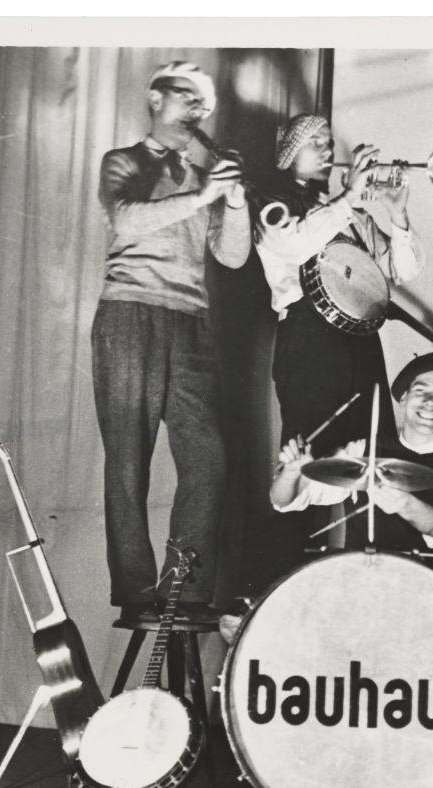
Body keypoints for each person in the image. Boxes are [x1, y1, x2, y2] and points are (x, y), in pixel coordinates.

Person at [92, 61, 251, 624]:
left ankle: (186, 589)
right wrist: (204, 194)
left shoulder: (204, 177)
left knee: (209, 459)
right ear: (156, 100)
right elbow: (125, 220)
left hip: (191, 322)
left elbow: (233, 256)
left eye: (204, 106)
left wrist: (235, 202)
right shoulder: (123, 161)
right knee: (128, 459)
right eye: (188, 99)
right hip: (129, 313)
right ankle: (137, 592)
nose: (198, 113)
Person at [254, 114, 426, 456]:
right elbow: (296, 246)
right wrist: (350, 196)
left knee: (372, 453)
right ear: (290, 153)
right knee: (314, 456)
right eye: (314, 142)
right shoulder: (272, 204)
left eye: (329, 143)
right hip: (309, 340)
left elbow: (402, 269)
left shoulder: (353, 216)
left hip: (361, 339)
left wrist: (398, 215)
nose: (327, 150)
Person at [269, 351, 433, 577]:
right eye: (421, 391)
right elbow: (283, 500)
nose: (430, 403)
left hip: (424, 587)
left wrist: (405, 504)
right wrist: (292, 473)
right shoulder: (363, 450)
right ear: (404, 398)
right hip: (359, 581)